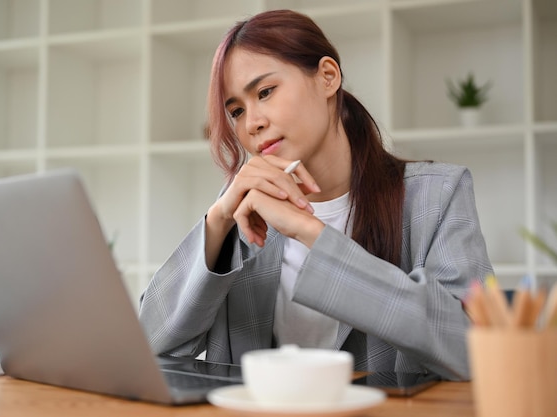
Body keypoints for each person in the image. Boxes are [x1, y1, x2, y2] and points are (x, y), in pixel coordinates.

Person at [138, 9, 493, 381]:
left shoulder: (437, 195)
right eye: (237, 111)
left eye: (265, 92)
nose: (252, 123)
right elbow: (147, 345)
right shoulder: (243, 211)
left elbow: (475, 353)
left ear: (327, 77)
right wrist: (217, 222)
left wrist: (312, 234)